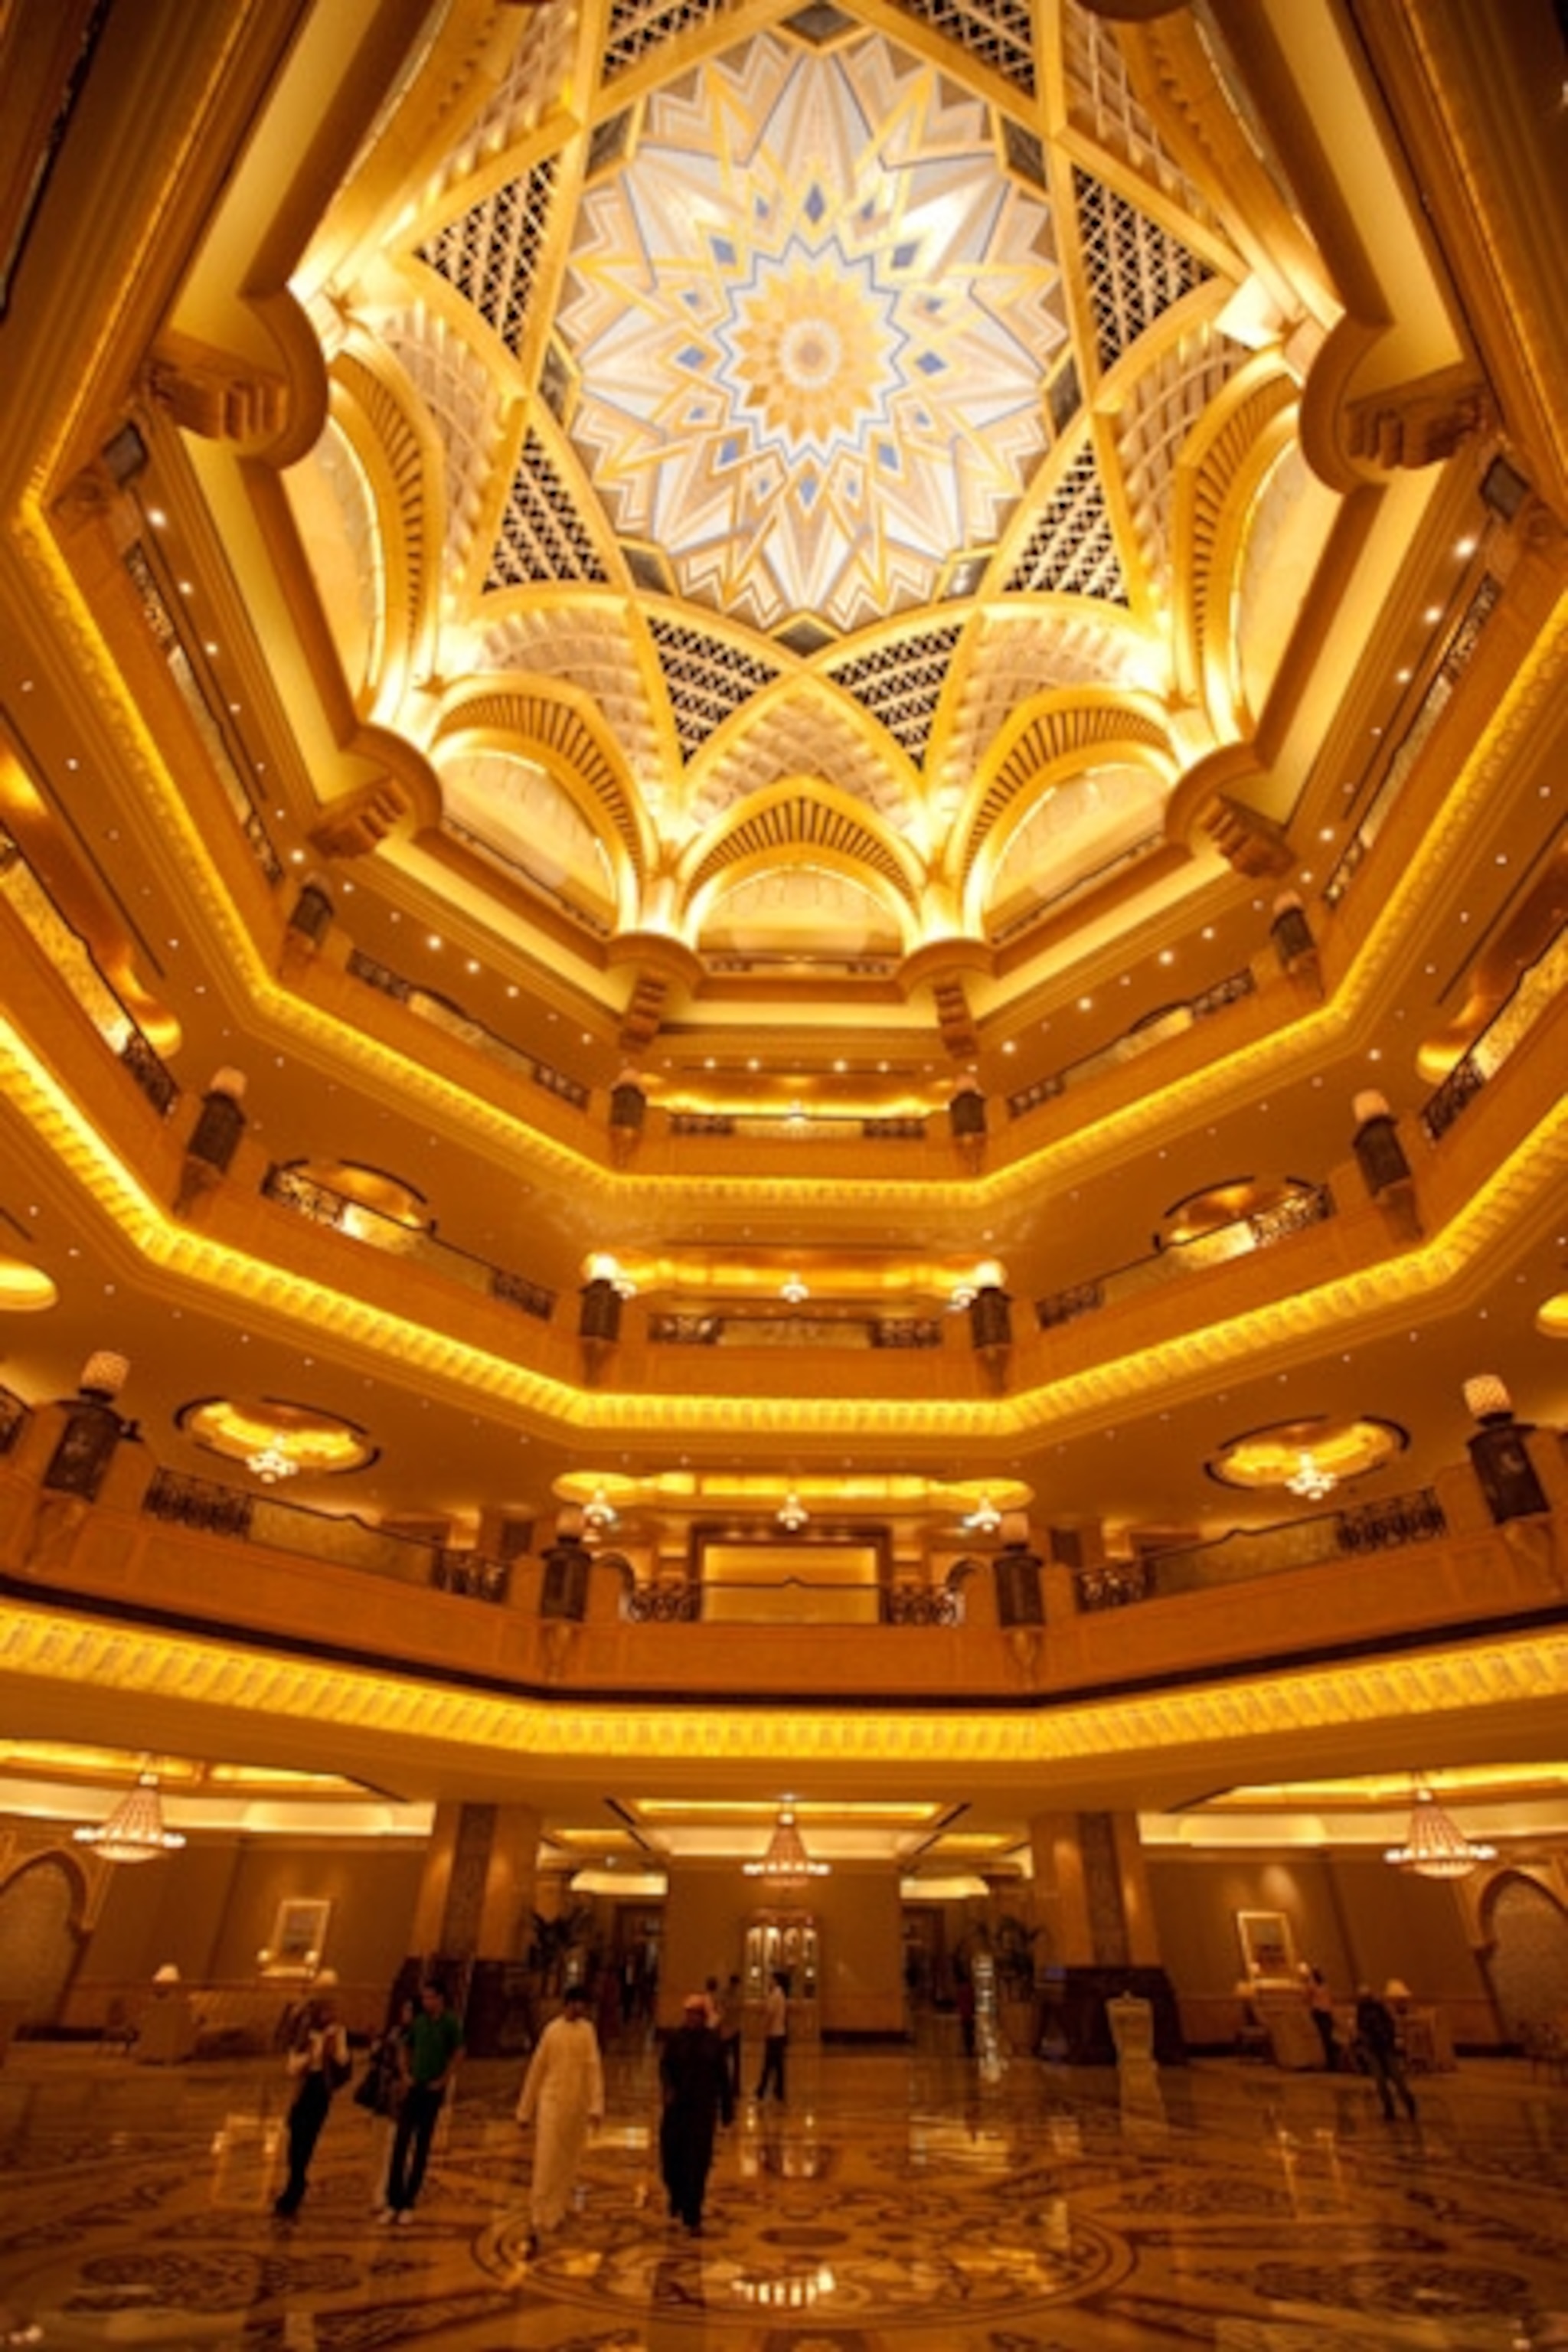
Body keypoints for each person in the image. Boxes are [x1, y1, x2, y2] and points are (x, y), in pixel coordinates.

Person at [514, 1983, 605, 2257]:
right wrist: (525, 2110)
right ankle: (538, 2211)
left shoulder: (588, 2032)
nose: (579, 2009)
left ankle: (557, 2208)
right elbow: (537, 2069)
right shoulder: (552, 2031)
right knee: (546, 2158)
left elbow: (593, 2067)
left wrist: (596, 2105)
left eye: (583, 2005)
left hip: (575, 2107)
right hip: (551, 2103)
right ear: (566, 2004)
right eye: (575, 2003)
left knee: (568, 2159)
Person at [381, 1978, 463, 2222]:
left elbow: (459, 2051)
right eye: (424, 1997)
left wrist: (444, 2079)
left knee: (422, 2145)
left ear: (441, 1999)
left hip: (432, 2090)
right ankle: (393, 2199)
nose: (426, 2002)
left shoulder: (450, 2023)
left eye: (430, 1997)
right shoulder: (419, 2022)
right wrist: (405, 2073)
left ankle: (408, 2201)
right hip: (414, 2087)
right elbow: (404, 2047)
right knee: (401, 2142)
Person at [660, 1991, 732, 2235]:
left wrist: (727, 2111)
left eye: (695, 2015)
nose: (691, 2019)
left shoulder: (713, 2043)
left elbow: (723, 2078)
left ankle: (693, 2214)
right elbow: (665, 2068)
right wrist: (668, 2089)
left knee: (698, 2164)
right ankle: (677, 2198)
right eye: (688, 2015)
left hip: (701, 2113)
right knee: (672, 2162)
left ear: (703, 2017)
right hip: (676, 2112)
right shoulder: (675, 2040)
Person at [273, 1991, 351, 2219]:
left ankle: (295, 2187)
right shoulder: (303, 2034)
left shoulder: (337, 2032)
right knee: (295, 2137)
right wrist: (310, 2055)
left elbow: (343, 2060)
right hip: (303, 2087)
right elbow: (292, 2066)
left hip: (321, 2089)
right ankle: (297, 2179)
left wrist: (334, 2045)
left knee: (308, 2138)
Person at [1354, 1983, 1417, 2120]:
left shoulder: (1378, 2009)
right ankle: (1390, 2107)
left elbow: (1388, 2025)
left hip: (1384, 2047)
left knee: (1395, 2078)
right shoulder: (1362, 2011)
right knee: (1381, 2080)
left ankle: (1407, 2102)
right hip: (1374, 2048)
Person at [754, 1970, 788, 2103]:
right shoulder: (781, 1994)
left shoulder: (775, 1995)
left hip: (774, 2034)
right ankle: (779, 2091)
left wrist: (764, 2029)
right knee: (778, 2066)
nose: (769, 1981)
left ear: (776, 1980)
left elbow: (770, 2014)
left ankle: (761, 2091)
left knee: (768, 2065)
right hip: (780, 2033)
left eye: (771, 1979)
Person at [1300, 1963, 1338, 2071]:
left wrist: (1307, 1983)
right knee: (1327, 2037)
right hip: (1326, 2012)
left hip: (1320, 2012)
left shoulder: (1313, 1986)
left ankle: (1331, 2062)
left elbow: (1306, 1996)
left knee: (1325, 2038)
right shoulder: (1325, 1986)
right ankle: (1332, 2061)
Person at [715, 1972, 743, 2104]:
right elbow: (724, 2011)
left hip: (733, 2031)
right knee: (726, 2061)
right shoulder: (728, 1996)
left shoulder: (730, 1996)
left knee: (735, 2062)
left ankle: (735, 2087)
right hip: (727, 2032)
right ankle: (727, 2086)